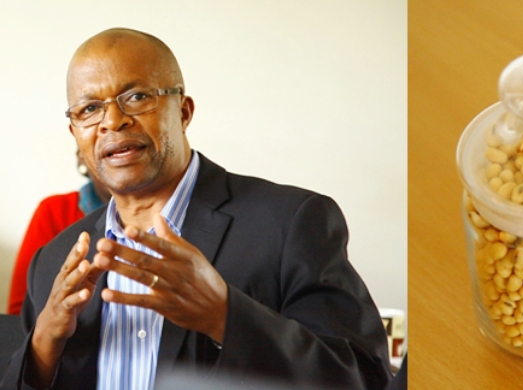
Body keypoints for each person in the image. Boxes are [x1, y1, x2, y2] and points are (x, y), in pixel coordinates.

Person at [0, 28, 391, 390]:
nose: (113, 121)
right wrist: (42, 348)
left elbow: (364, 377)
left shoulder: (291, 222)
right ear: (75, 133)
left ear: (184, 112)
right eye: (89, 109)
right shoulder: (52, 260)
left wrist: (226, 317)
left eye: (136, 97)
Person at [7, 151, 110, 315]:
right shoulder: (54, 211)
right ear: (81, 158)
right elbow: (20, 311)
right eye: (108, 153)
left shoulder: (161, 216)